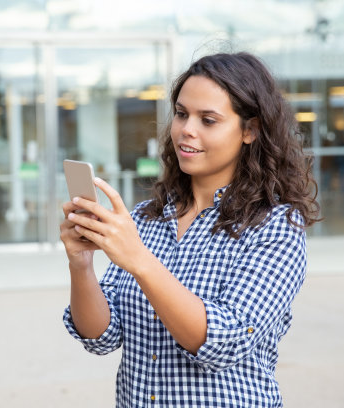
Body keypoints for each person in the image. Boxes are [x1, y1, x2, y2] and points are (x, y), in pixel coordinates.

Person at [60, 52, 321, 407]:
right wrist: (81, 264)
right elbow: (101, 335)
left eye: (208, 120)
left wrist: (140, 260)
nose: (186, 129)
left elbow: (223, 341)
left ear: (250, 130)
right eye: (181, 114)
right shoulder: (146, 218)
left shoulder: (276, 226)